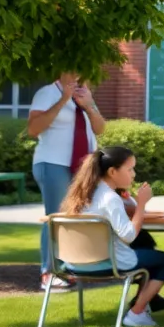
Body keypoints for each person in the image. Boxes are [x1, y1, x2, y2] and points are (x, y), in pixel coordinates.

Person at [59, 146, 164, 327]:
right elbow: (128, 235)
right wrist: (142, 204)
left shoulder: (82, 195)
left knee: (146, 247)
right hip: (110, 262)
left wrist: (131, 201)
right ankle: (136, 313)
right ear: (112, 172)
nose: (134, 174)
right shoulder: (110, 198)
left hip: (74, 264)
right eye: (130, 169)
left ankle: (145, 303)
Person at [28, 71, 107, 292]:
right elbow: (33, 128)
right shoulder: (47, 93)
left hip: (82, 167)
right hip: (53, 163)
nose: (78, 72)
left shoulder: (84, 93)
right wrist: (63, 100)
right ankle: (49, 273)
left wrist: (89, 105)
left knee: (77, 217)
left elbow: (100, 129)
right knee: (56, 217)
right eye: (73, 66)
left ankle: (70, 267)